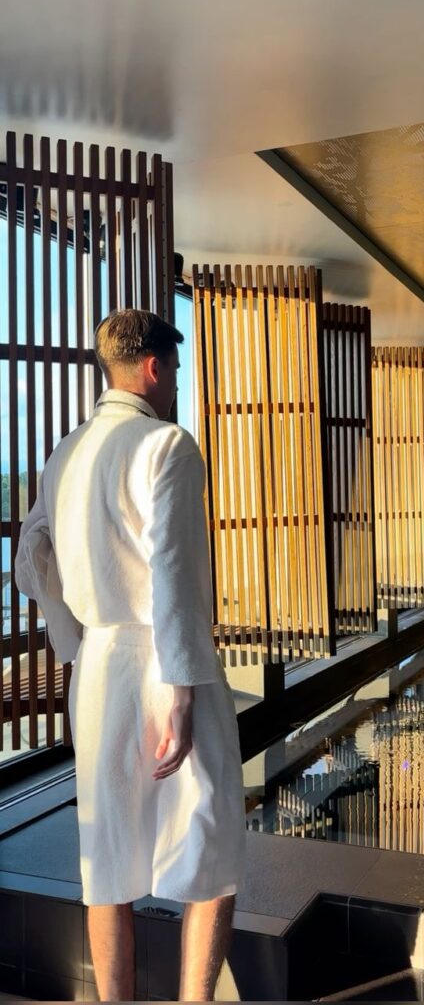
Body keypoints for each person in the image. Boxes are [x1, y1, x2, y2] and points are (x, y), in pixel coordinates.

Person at [15, 308, 246, 1002]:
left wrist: (72, 636)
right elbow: (172, 572)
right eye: (174, 370)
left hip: (99, 667)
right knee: (213, 848)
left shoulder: (67, 452)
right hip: (169, 666)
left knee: (107, 861)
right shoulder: (168, 446)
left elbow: (31, 558)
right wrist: (178, 688)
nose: (175, 384)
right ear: (153, 368)